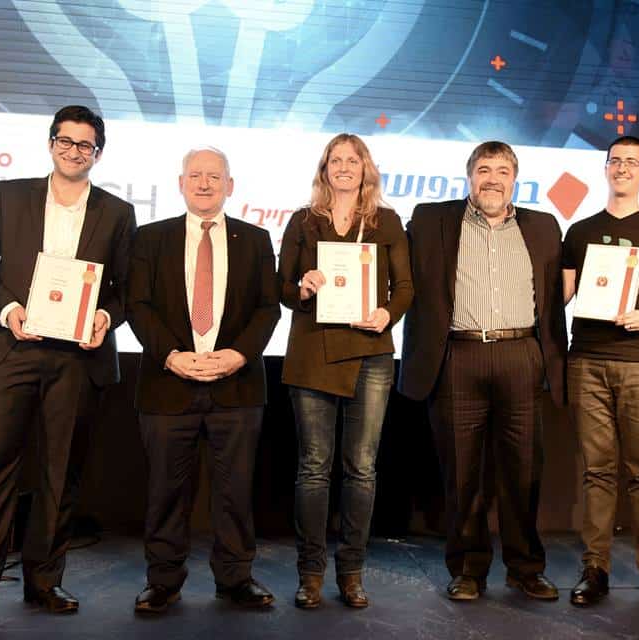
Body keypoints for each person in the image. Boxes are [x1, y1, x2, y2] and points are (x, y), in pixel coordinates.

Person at [0, 106, 136, 636]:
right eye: (66, 141)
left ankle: (44, 582)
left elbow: (128, 290)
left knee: (61, 475)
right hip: (9, 349)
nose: (74, 151)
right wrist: (9, 310)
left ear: (98, 153)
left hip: (77, 359)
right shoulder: (10, 195)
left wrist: (105, 317)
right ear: (51, 143)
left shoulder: (117, 212)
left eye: (85, 145)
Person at [399, 141, 567, 602]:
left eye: (502, 171)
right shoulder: (431, 220)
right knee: (462, 472)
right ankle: (468, 568)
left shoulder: (543, 225)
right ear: (469, 175)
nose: (493, 179)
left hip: (521, 354)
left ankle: (525, 567)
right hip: (459, 355)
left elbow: (558, 290)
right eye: (484, 169)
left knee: (523, 471)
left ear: (515, 180)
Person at [126, 147, 280, 613]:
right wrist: (171, 356)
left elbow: (268, 308)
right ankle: (163, 581)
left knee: (235, 491)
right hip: (167, 384)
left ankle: (235, 578)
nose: (205, 183)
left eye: (215, 176)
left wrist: (238, 354)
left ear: (230, 185)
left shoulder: (256, 239)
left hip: (237, 386)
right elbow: (138, 305)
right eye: (196, 175)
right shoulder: (150, 238)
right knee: (165, 492)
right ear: (181, 183)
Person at [278, 133, 413, 609]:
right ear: (324, 169)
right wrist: (303, 287)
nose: (343, 167)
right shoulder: (303, 220)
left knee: (361, 468)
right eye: (335, 160)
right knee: (314, 468)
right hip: (312, 351)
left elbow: (405, 287)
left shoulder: (386, 221)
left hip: (370, 352)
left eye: (352, 160)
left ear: (365, 169)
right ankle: (311, 573)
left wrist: (387, 314)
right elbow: (281, 286)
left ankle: (352, 572)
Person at [562, 136, 639, 610]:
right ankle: (595, 568)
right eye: (615, 161)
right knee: (597, 471)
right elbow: (563, 294)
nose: (623, 168)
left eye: (632, 162)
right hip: (588, 361)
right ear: (605, 168)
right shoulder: (580, 230)